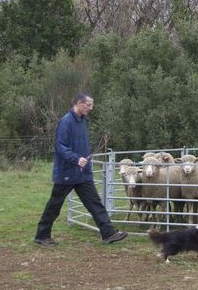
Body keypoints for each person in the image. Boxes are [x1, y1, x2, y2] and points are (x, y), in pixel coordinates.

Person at [34, 92, 128, 247]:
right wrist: (76, 158)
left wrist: (83, 162)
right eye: (88, 105)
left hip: (83, 174)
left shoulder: (83, 121)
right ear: (78, 103)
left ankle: (109, 233)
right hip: (66, 172)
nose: (90, 108)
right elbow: (60, 146)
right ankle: (42, 235)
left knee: (94, 203)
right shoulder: (66, 122)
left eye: (92, 105)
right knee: (54, 205)